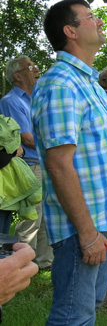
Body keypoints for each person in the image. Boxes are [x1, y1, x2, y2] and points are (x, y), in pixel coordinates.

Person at [31, 0, 107, 325]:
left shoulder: (86, 81)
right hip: (84, 225)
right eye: (91, 17)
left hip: (104, 217)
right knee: (72, 316)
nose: (100, 20)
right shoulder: (61, 84)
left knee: (89, 304)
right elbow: (59, 165)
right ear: (70, 31)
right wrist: (88, 234)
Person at [1, 56, 53, 269]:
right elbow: (26, 138)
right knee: (31, 219)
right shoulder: (11, 101)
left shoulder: (38, 98)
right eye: (30, 66)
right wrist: (56, 145)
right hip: (30, 165)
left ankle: (44, 262)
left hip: (46, 163)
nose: (37, 68)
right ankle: (20, 266)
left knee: (47, 217)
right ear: (17, 76)